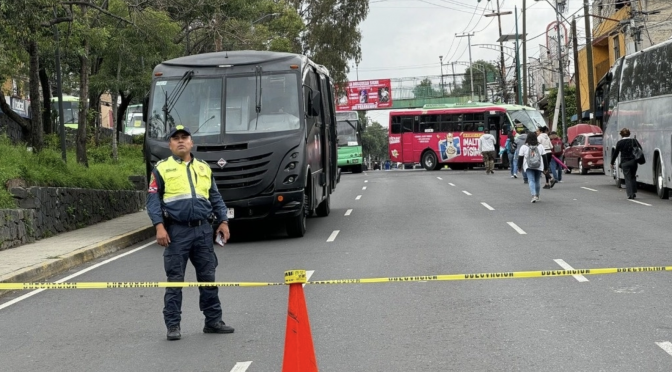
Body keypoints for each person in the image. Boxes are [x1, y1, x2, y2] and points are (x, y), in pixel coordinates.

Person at [146, 125, 233, 341]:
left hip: (203, 230)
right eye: (176, 139)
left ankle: (213, 321)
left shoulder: (204, 168)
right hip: (177, 232)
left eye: (185, 137)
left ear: (191, 143)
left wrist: (223, 221)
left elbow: (215, 197)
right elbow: (153, 200)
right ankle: (173, 325)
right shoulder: (161, 168)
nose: (181, 141)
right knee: (175, 280)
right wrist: (159, 226)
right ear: (170, 144)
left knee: (208, 278)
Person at [610, 127, 641, 199]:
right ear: (629, 134)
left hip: (625, 162)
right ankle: (633, 192)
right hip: (633, 162)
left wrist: (612, 162)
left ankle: (630, 194)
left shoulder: (620, 143)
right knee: (633, 176)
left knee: (627, 178)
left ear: (621, 135)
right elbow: (640, 149)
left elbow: (616, 153)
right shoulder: (634, 141)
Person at [517, 132, 546, 203]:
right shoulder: (540, 146)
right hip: (539, 166)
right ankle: (537, 195)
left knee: (531, 180)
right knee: (537, 180)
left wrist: (519, 167)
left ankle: (533, 195)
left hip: (528, 166)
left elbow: (520, 157)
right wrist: (546, 167)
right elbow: (544, 157)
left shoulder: (524, 147)